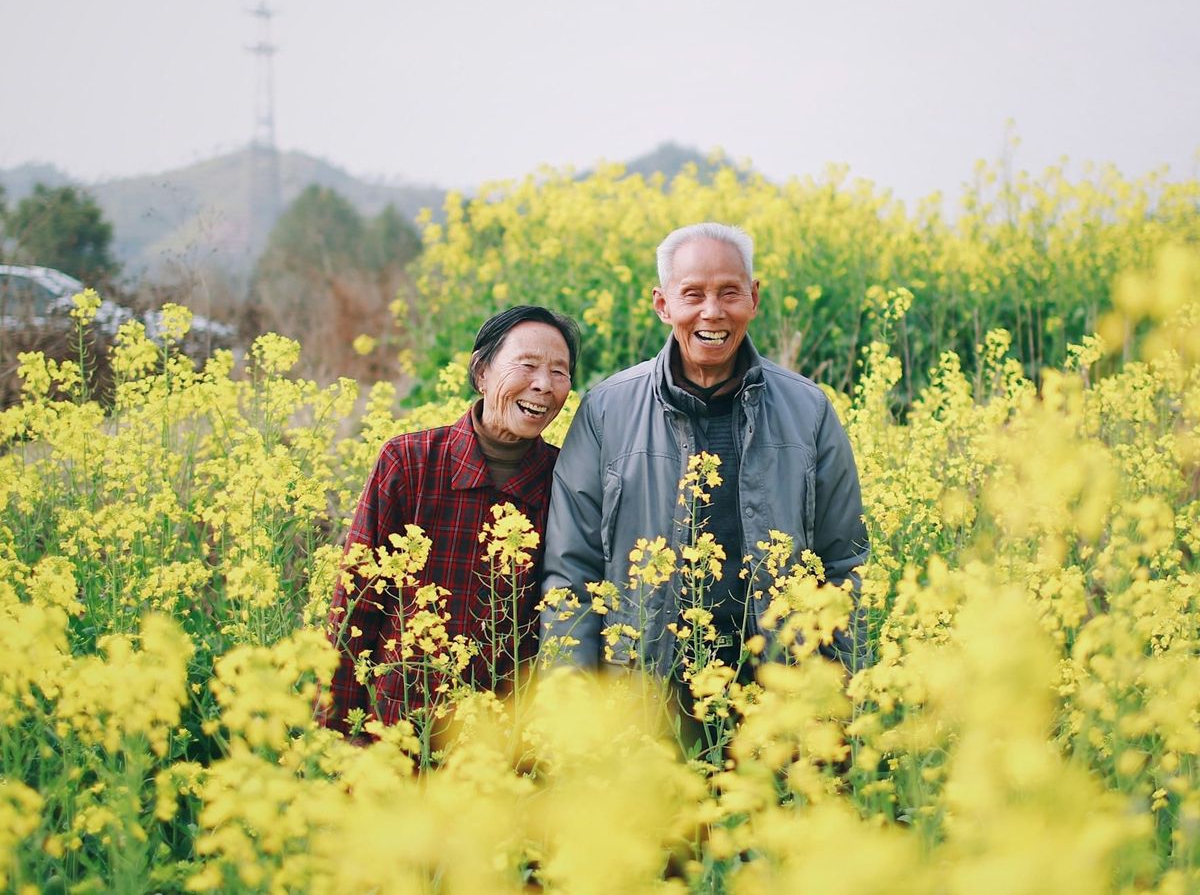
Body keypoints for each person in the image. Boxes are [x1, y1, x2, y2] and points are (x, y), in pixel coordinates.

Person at [539, 222, 869, 680]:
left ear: (754, 298)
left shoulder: (808, 409)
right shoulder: (606, 410)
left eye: (730, 293)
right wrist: (570, 699)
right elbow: (572, 571)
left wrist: (837, 695)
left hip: (779, 694)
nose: (712, 313)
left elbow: (845, 563)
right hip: (643, 694)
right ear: (663, 304)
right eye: (692, 294)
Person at [321, 305, 580, 735]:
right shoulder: (409, 463)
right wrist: (331, 739)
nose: (543, 385)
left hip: (501, 750)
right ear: (481, 372)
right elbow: (354, 607)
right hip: (397, 733)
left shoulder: (567, 479)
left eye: (559, 372)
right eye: (528, 365)